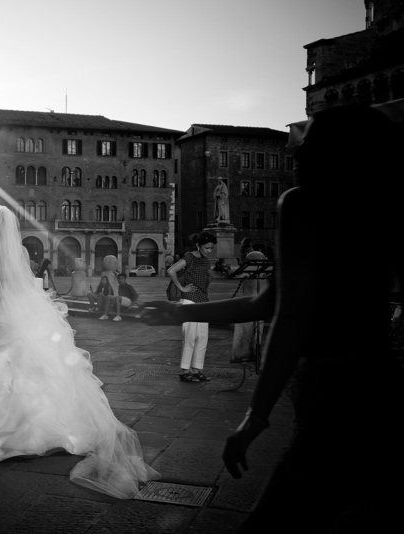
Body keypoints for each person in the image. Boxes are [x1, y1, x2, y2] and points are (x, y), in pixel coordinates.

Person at [141, 105, 403, 532]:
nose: (295, 154)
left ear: (336, 156)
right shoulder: (383, 210)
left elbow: (288, 315)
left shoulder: (305, 203)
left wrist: (257, 415)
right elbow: (267, 304)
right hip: (381, 382)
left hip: (332, 391)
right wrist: (177, 312)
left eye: (309, 145)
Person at [0, 206, 160, 499]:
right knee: (31, 366)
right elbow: (25, 286)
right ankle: (34, 431)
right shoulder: (19, 253)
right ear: (13, 231)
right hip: (14, 315)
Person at [167, 232, 216, 382]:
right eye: (206, 248)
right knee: (190, 337)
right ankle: (184, 371)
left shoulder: (205, 261)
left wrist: (208, 278)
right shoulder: (189, 257)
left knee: (202, 337)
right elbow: (171, 271)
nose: (209, 251)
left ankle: (196, 369)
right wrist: (182, 288)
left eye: (211, 248)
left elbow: (210, 274)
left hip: (203, 301)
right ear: (198, 245)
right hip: (189, 301)